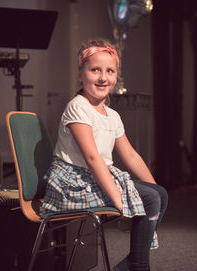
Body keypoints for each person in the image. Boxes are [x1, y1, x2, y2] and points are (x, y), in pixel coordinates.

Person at [42, 39, 168, 271]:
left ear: (116, 76)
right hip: (73, 182)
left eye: (109, 71)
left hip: (93, 177)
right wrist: (121, 203)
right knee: (150, 199)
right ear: (80, 75)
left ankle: (131, 264)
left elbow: (130, 156)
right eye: (95, 70)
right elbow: (92, 158)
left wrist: (156, 193)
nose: (102, 77)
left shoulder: (112, 115)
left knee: (158, 194)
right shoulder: (78, 106)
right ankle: (138, 266)